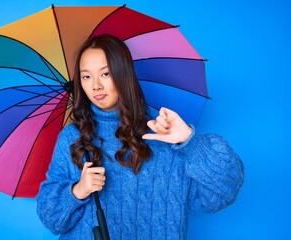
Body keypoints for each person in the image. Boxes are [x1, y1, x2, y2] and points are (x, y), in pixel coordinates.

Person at [36, 34, 244, 240]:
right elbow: (51, 218)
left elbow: (222, 194)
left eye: (106, 74)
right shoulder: (73, 137)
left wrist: (191, 142)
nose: (96, 86)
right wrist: (78, 191)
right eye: (86, 76)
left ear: (123, 74)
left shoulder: (163, 134)